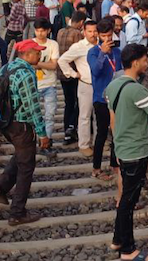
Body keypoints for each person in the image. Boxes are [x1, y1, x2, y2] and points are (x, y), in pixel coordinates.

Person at [108, 44, 148, 261]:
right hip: (135, 151)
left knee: (126, 197)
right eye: (145, 59)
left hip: (123, 149)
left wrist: (117, 146)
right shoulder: (136, 90)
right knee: (128, 201)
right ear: (135, 62)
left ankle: (117, 239)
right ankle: (128, 250)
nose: (147, 63)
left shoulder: (114, 85)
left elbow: (113, 120)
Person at [0, 40, 50, 226]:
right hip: (22, 125)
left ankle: (1, 186)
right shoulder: (26, 74)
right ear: (27, 54)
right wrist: (42, 133)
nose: (39, 56)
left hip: (7, 123)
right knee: (26, 167)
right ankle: (17, 213)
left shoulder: (7, 68)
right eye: (37, 52)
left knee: (21, 154)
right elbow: (32, 106)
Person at [88, 18, 122, 180]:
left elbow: (121, 72)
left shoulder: (117, 52)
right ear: (99, 36)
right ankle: (96, 167)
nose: (107, 39)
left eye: (109, 35)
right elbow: (95, 71)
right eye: (104, 36)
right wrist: (102, 52)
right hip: (101, 99)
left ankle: (114, 163)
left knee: (117, 132)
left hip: (117, 98)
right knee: (101, 133)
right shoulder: (93, 52)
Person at [58, 20, 98, 157]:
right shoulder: (79, 47)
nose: (93, 34)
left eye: (95, 31)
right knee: (85, 116)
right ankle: (84, 145)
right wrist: (74, 74)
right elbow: (62, 60)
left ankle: (100, 143)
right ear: (84, 32)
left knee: (99, 117)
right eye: (90, 31)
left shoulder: (102, 45)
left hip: (101, 85)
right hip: (86, 84)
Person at [56, 11, 86, 145]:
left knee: (68, 102)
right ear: (81, 23)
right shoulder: (77, 34)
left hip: (62, 73)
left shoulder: (60, 32)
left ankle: (67, 128)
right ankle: (72, 128)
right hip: (74, 72)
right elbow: (80, 54)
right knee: (77, 102)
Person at [32, 19, 60, 147]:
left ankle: (46, 140)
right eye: (37, 31)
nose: (40, 33)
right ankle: (36, 139)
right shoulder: (30, 44)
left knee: (50, 115)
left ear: (48, 31)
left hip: (49, 84)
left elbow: (54, 65)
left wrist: (36, 64)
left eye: (42, 31)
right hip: (33, 85)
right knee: (33, 115)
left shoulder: (53, 44)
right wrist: (46, 65)